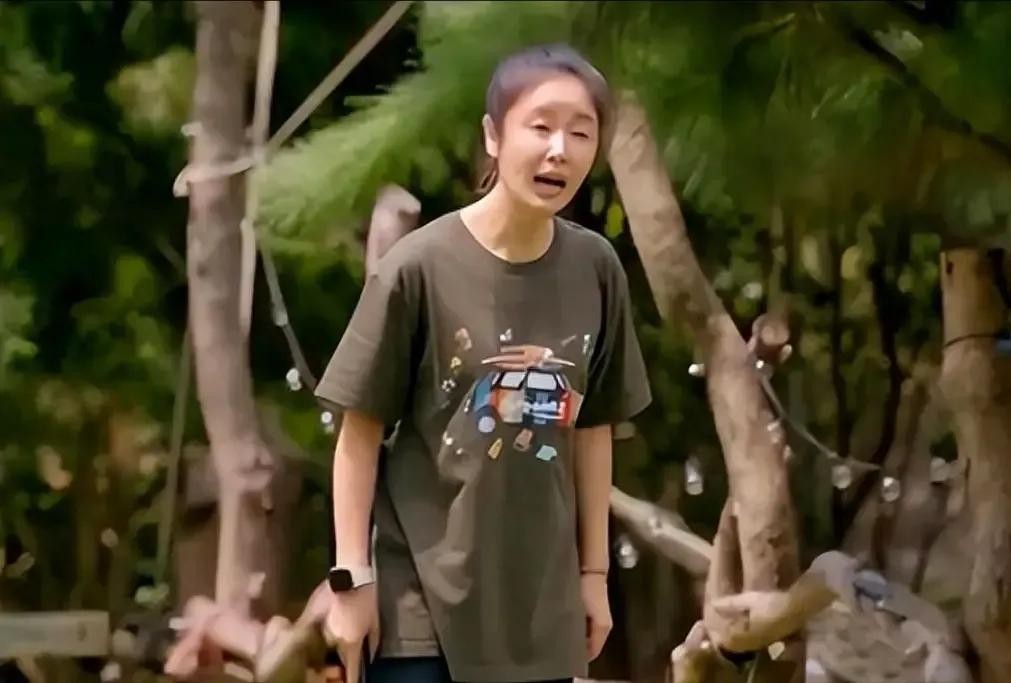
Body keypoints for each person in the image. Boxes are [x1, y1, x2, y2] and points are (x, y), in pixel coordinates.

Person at [316, 44, 652, 683]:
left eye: (581, 133)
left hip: (539, 612)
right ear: (494, 137)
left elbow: (593, 428)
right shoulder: (418, 267)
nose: (560, 150)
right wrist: (351, 579)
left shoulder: (597, 269)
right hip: (420, 609)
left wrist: (594, 575)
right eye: (541, 127)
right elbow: (358, 434)